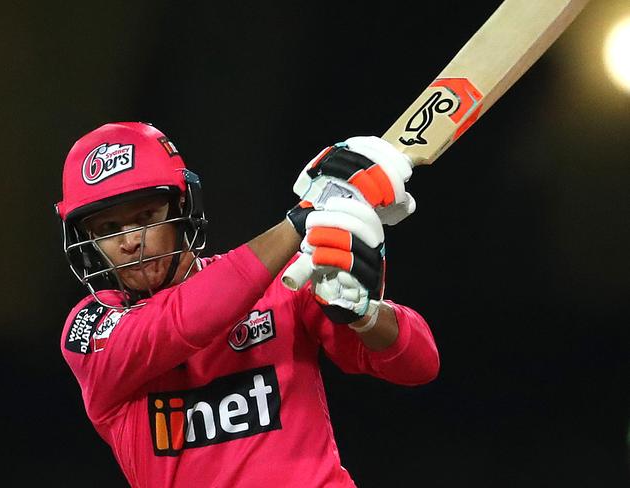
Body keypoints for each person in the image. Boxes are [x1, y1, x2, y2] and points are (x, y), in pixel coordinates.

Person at [56, 121, 439, 488]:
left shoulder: (284, 280)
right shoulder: (91, 331)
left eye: (145, 217)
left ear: (181, 209)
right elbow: (181, 322)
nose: (130, 242)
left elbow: (420, 365)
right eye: (108, 229)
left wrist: (367, 316)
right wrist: (303, 219)